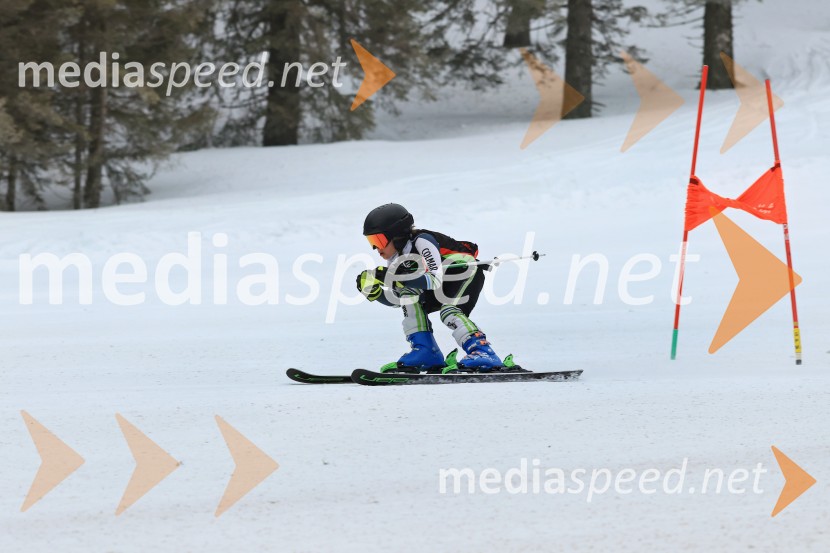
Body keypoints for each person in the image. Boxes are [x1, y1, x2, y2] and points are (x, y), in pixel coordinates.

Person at [356, 203, 504, 372]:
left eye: (379, 240)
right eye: (371, 242)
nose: (376, 248)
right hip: (441, 284)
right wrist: (376, 293)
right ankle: (427, 352)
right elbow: (400, 300)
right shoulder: (396, 258)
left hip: (465, 274)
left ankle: (484, 352)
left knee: (449, 312)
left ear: (396, 235)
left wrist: (397, 279)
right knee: (408, 293)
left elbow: (435, 279)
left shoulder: (422, 241)